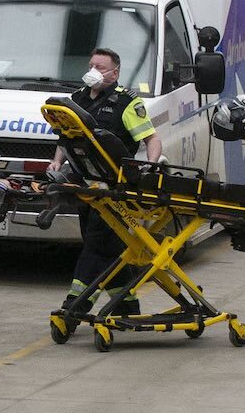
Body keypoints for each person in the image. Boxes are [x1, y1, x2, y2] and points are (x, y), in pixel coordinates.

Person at [45, 47, 160, 318]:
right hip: (86, 185)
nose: (93, 71)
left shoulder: (127, 103)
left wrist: (150, 168)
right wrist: (57, 162)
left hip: (114, 188)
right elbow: (66, 138)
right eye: (91, 65)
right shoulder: (77, 100)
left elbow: (151, 139)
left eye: (100, 67)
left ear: (115, 72)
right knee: (108, 249)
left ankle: (75, 304)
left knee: (96, 245)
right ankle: (126, 305)